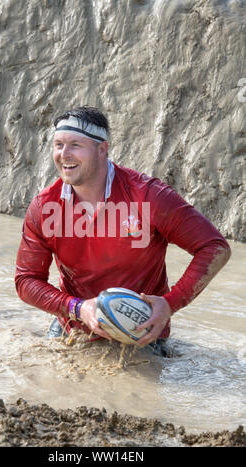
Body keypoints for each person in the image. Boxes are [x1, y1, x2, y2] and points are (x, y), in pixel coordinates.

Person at [15, 106, 231, 356]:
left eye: (75, 144)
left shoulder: (147, 196)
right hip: (74, 325)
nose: (64, 154)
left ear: (102, 149)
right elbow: (26, 281)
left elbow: (215, 248)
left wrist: (170, 304)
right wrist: (77, 308)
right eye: (58, 145)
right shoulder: (44, 206)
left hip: (140, 332)